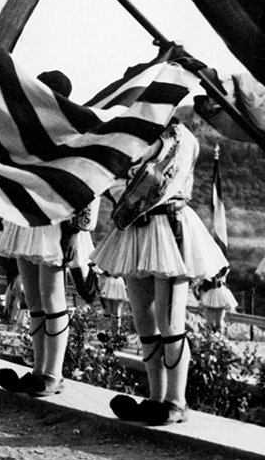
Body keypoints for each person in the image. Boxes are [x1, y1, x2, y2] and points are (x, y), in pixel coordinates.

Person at [93, 118, 228, 425]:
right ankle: (156, 397)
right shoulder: (136, 134)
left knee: (169, 321)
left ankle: (176, 400)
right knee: (143, 318)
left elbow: (161, 179)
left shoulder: (181, 138)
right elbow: (114, 180)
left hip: (169, 225)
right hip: (134, 227)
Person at [0, 71, 98, 398]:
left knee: (52, 298)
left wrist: (77, 231)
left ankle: (53, 373)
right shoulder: (27, 127)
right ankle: (37, 370)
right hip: (28, 219)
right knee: (33, 299)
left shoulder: (75, 130)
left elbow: (88, 184)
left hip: (56, 224)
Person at [196, 267, 237, 333]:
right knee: (211, 322)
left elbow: (216, 282)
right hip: (212, 294)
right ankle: (214, 334)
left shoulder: (223, 270)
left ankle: (218, 335)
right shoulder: (209, 272)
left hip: (218, 294)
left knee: (218, 321)